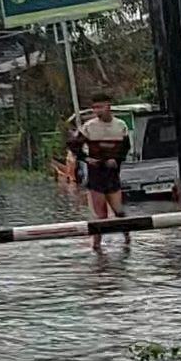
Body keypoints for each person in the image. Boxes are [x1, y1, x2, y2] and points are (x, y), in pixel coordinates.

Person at [70, 93, 131, 250]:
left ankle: (128, 239)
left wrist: (117, 160)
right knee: (100, 215)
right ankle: (96, 246)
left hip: (112, 173)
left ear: (108, 107)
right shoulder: (89, 127)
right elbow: (73, 145)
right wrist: (86, 158)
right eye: (94, 108)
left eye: (100, 107)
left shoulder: (120, 125)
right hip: (96, 173)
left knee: (119, 211)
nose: (97, 111)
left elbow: (125, 148)